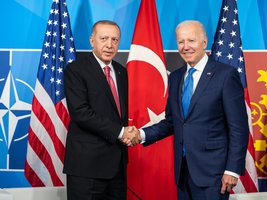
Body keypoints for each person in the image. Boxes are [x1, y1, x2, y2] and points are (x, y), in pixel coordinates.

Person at [125, 20, 249, 200]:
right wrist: (140, 134)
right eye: (181, 42)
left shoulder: (225, 75)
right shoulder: (175, 77)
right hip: (183, 173)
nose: (185, 47)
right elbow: (172, 122)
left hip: (214, 174)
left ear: (204, 43)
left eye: (191, 41)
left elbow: (238, 128)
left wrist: (232, 169)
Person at [63, 20, 139, 200]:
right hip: (87, 168)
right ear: (92, 40)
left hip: (117, 167)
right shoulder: (76, 69)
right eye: (103, 38)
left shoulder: (121, 71)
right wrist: (121, 132)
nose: (109, 45)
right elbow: (80, 113)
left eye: (115, 39)